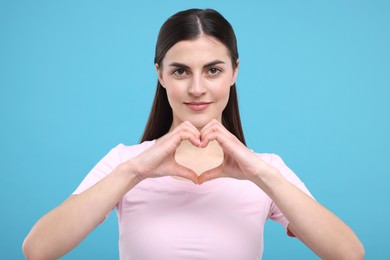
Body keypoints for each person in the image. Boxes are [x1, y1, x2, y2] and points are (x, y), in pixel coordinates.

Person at [23, 8, 364, 260]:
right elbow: (38, 249)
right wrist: (135, 172)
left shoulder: (264, 170)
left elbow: (349, 253)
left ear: (234, 72)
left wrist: (261, 175)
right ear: (160, 74)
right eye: (181, 71)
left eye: (213, 70)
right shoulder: (126, 162)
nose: (197, 88)